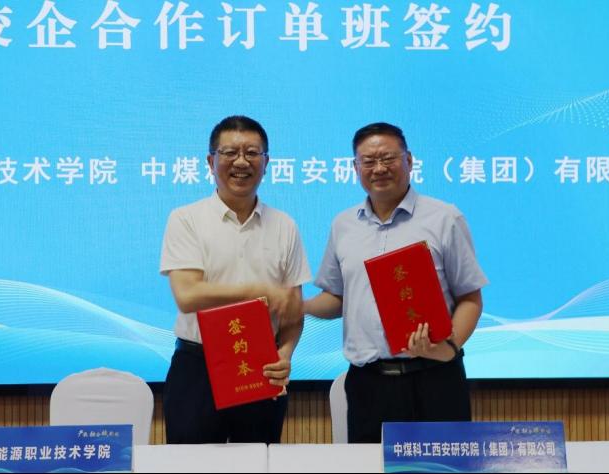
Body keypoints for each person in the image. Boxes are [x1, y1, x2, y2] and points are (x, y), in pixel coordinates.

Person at [304, 122, 488, 443]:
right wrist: (299, 306)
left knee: (443, 465)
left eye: (388, 158)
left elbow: (470, 299)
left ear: (409, 161)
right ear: (355, 168)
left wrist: (448, 347)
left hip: (435, 379)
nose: (379, 168)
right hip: (368, 383)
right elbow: (337, 298)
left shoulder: (444, 218)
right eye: (368, 161)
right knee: (369, 464)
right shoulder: (343, 225)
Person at [159, 115, 311, 444]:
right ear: (210, 161)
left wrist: (285, 355)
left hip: (261, 366)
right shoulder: (186, 219)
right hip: (197, 368)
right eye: (230, 152)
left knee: (259, 461)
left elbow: (292, 313)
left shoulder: (285, 226)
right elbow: (187, 295)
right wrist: (258, 291)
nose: (241, 162)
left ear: (267, 163)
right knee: (189, 465)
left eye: (252, 153)